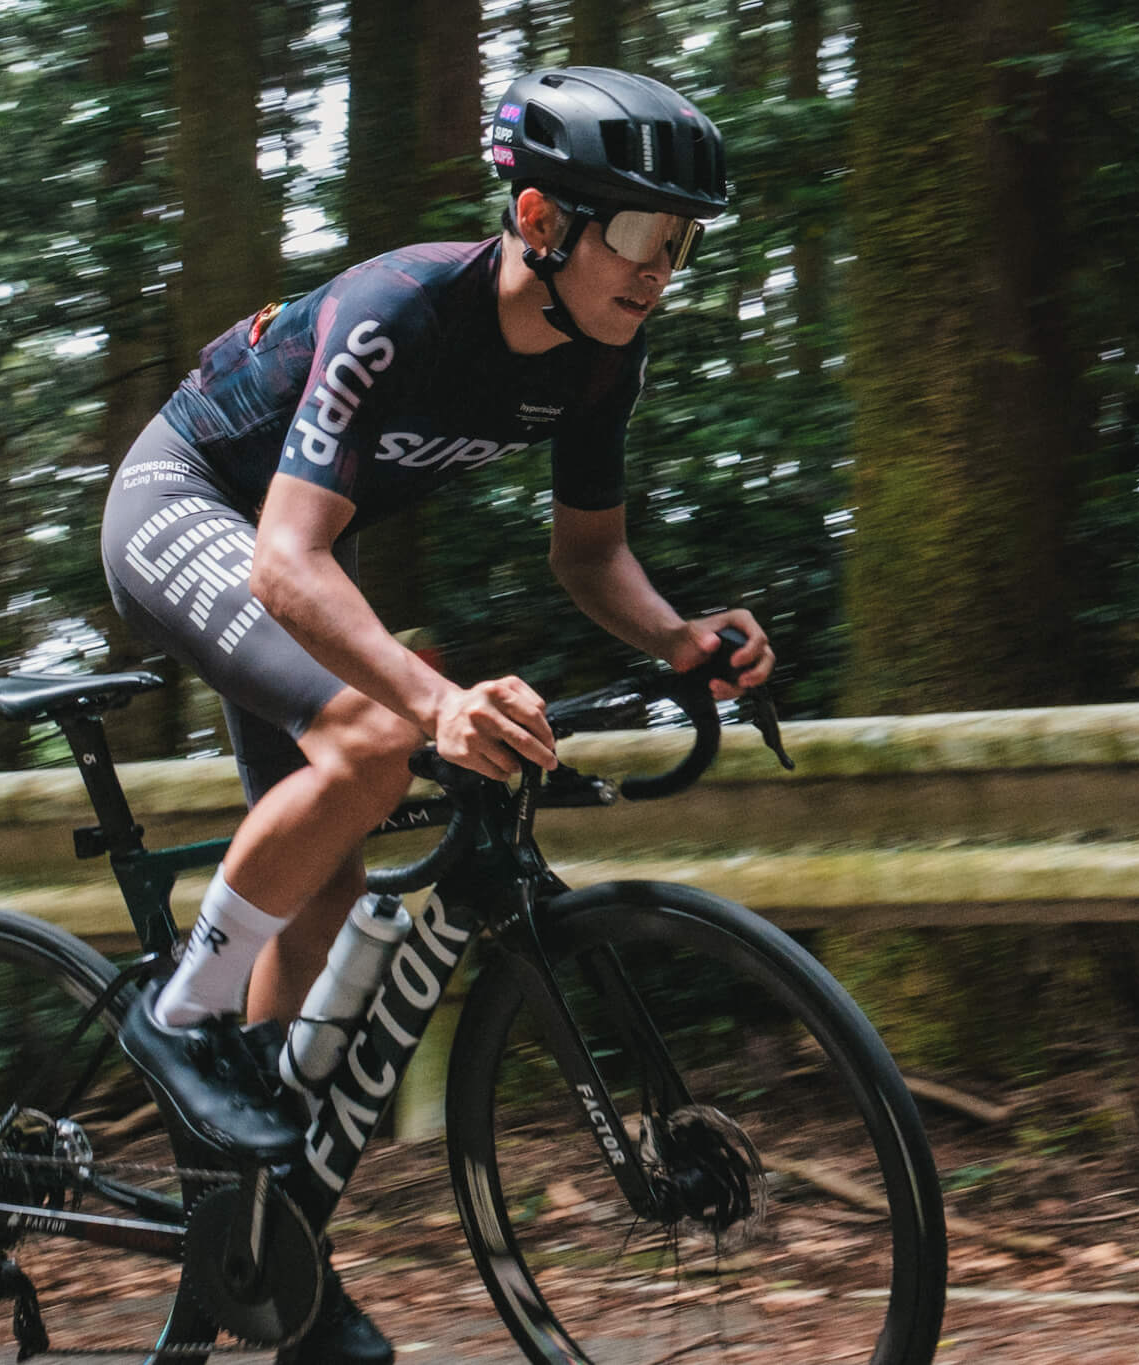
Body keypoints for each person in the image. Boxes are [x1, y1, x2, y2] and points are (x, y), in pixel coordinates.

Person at [99, 66, 773, 1363]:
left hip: (292, 548)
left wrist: (682, 640)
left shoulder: (602, 357)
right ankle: (178, 1016)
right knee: (375, 736)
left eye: (681, 242)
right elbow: (286, 563)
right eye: (639, 232)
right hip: (186, 504)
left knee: (332, 895)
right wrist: (436, 699)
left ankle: (265, 1262)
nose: (659, 268)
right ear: (539, 220)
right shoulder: (400, 308)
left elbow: (591, 556)